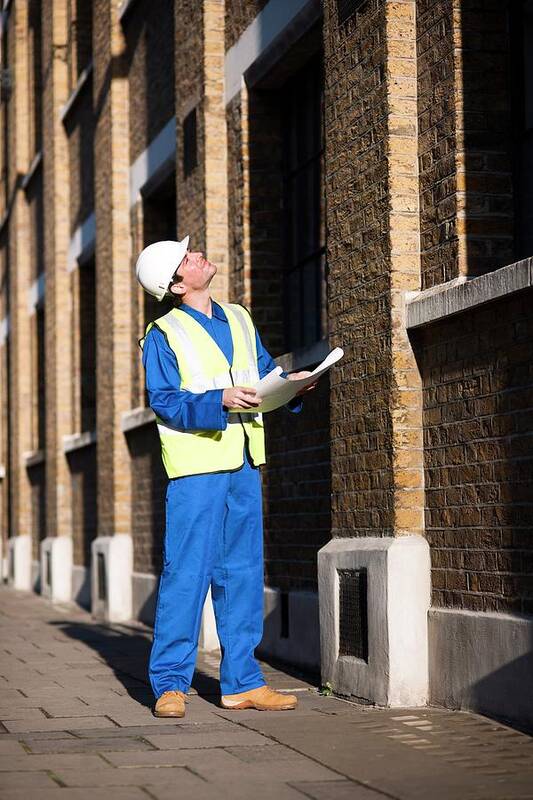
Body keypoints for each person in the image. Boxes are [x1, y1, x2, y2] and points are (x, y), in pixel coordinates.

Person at [136, 236, 317, 718]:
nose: (198, 255)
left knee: (241, 573)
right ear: (176, 282)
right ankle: (170, 684)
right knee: (187, 574)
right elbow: (165, 401)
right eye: (188, 257)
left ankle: (242, 682)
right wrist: (218, 401)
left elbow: (260, 374)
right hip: (197, 469)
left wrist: (291, 386)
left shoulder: (238, 316)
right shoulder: (163, 333)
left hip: (243, 465)